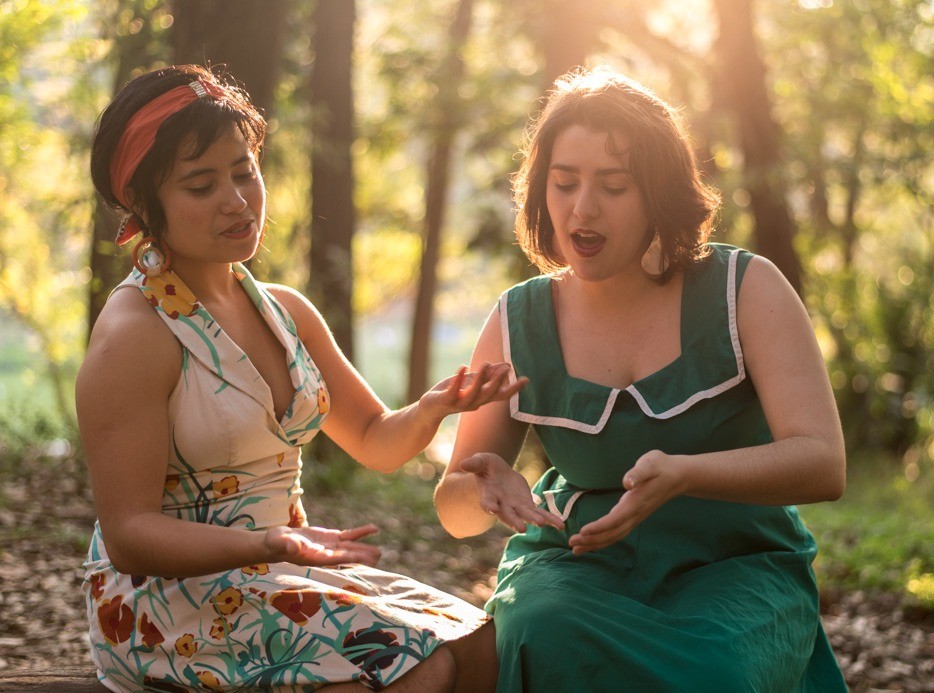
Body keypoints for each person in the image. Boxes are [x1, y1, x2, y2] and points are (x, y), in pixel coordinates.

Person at [78, 64, 514, 692]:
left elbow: (373, 437)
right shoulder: (135, 335)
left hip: (278, 572)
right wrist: (270, 542)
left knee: (480, 642)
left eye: (243, 171)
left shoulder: (286, 311)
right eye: (201, 185)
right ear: (145, 207)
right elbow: (130, 536)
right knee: (419, 666)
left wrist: (430, 409)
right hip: (166, 601)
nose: (236, 200)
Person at [434, 67, 849, 691]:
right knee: (541, 630)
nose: (583, 208)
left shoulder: (746, 289)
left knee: (714, 671)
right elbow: (455, 509)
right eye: (564, 182)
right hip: (580, 566)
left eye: (614, 186)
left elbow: (824, 464)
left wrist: (685, 475)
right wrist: (481, 489)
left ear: (658, 192)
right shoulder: (517, 319)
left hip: (735, 564)